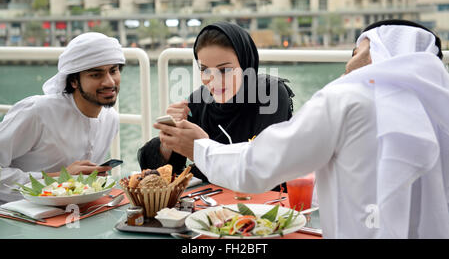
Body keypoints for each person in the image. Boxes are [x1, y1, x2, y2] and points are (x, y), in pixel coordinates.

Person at [154, 20, 449, 238]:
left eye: (356, 50)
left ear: (374, 53)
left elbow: (259, 164)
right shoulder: (437, 109)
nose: (349, 61)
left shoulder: (346, 99)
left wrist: (199, 147)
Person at [138, 22, 294, 189]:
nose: (214, 80)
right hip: (209, 204)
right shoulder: (200, 99)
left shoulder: (271, 94)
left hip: (264, 205)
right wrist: (169, 140)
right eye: (205, 69)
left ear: (246, 64)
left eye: (225, 70)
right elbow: (156, 173)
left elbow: (265, 165)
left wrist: (205, 147)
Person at [0, 32, 126, 203]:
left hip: (73, 215)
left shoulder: (111, 118)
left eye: (114, 71)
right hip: (16, 215)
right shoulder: (37, 112)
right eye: (96, 75)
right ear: (73, 81)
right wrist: (60, 178)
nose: (110, 82)